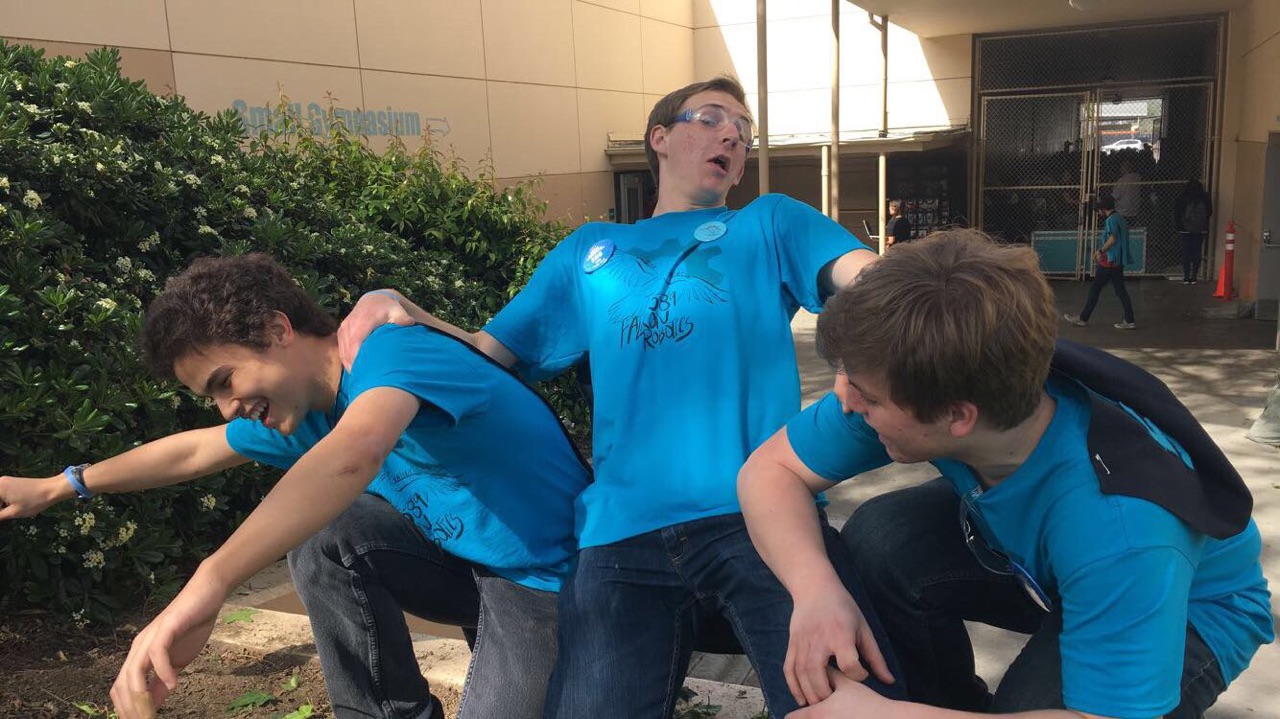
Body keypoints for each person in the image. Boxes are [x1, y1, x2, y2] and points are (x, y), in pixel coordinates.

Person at [337, 76, 902, 718]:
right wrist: (399, 305)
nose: (732, 137)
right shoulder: (588, 252)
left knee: (852, 702)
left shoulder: (769, 223)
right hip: (619, 534)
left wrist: (868, 348)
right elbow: (487, 358)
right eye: (712, 118)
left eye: (744, 132)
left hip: (759, 514)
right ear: (659, 138)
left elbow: (877, 282)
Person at [0, 253, 590, 719]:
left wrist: (211, 581)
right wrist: (60, 486)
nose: (228, 408)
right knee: (326, 536)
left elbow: (353, 455)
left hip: (554, 582)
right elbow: (193, 450)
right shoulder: (310, 412)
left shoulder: (392, 351)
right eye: (212, 397)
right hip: (471, 567)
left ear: (277, 329)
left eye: (225, 381)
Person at [739, 230, 1273, 719]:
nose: (848, 403)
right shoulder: (929, 375)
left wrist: (883, 715)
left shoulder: (1121, 529)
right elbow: (768, 471)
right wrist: (815, 591)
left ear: (957, 417)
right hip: (1055, 560)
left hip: (1183, 606)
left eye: (867, 396)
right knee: (883, 538)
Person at [1063, 195, 1135, 329]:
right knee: (1120, 291)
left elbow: (1112, 239)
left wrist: (1100, 251)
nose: (1098, 213)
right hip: (1117, 260)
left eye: (1098, 210)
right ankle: (1129, 319)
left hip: (1109, 260)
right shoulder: (1120, 218)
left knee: (1095, 289)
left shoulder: (1111, 220)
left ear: (1102, 209)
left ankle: (1083, 318)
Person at [1175, 179, 1213, 284]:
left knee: (1186, 252)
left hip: (1185, 229)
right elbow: (1209, 212)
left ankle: (1186, 276)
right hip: (1200, 229)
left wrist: (1179, 226)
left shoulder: (1182, 197)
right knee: (1197, 252)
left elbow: (1177, 213)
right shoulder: (1204, 197)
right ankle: (1194, 276)